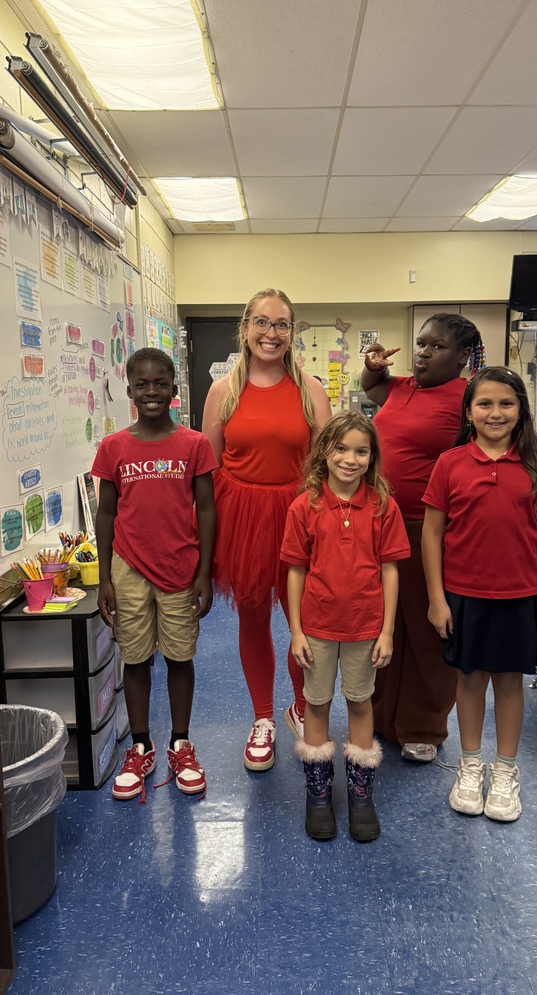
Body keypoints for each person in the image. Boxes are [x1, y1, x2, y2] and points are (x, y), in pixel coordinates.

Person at [421, 366, 537, 822]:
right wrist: (436, 598)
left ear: (521, 410)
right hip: (464, 594)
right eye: (484, 403)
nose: (495, 412)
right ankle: (469, 764)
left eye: (506, 403)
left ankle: (504, 771)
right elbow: (431, 535)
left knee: (508, 681)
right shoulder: (450, 464)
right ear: (468, 412)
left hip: (521, 594)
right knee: (468, 678)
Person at [202, 288, 332, 771]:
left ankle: (301, 708)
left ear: (292, 332)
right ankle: (262, 718)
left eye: (281, 324)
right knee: (253, 616)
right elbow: (209, 466)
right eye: (262, 322)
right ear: (245, 328)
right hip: (244, 516)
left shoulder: (310, 389)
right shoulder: (224, 390)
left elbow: (328, 462)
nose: (271, 333)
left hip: (300, 513)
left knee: (307, 620)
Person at [93, 348, 217, 803]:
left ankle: (180, 743)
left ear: (174, 390)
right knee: (136, 658)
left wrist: (205, 572)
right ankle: (141, 746)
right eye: (141, 385)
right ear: (128, 390)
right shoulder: (113, 447)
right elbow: (106, 513)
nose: (151, 392)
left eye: (160, 384)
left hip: (180, 566)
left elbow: (206, 508)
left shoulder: (194, 444)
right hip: (127, 566)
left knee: (180, 657)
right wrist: (104, 578)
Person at [361, 313, 485, 763]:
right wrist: (375, 366)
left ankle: (423, 725)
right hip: (381, 525)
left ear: (463, 356)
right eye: (420, 343)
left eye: (437, 347)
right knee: (385, 625)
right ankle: (382, 716)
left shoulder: (467, 398)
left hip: (429, 529)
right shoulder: (403, 388)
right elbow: (372, 388)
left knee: (428, 631)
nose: (423, 353)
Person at [281, 411, 410, 842]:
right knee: (315, 704)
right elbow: (296, 571)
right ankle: (318, 793)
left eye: (361, 450)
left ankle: (360, 793)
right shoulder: (306, 505)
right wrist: (296, 630)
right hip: (316, 626)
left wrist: (387, 630)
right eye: (341, 448)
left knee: (360, 701)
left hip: (365, 626)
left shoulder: (382, 506)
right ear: (324, 453)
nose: (350, 459)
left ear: (372, 457)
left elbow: (390, 570)